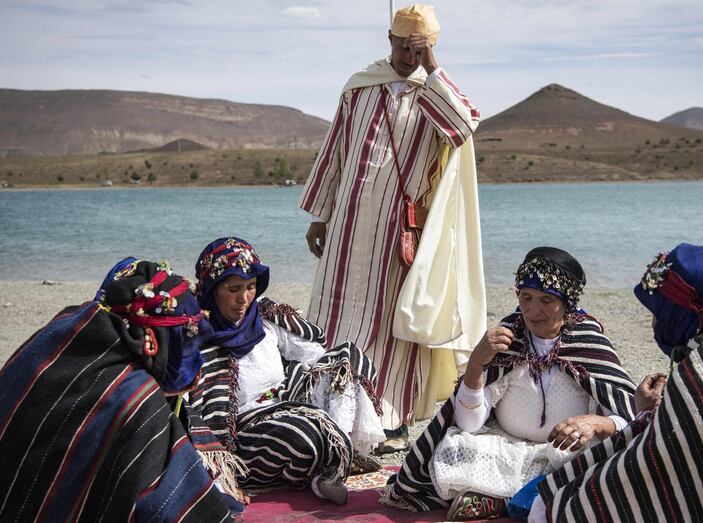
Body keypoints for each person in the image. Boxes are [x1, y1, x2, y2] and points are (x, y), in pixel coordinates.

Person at [299, 3, 486, 449]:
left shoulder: (434, 93)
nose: (408, 55)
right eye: (403, 45)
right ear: (389, 39)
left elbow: (464, 127)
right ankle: (328, 410)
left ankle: (389, 420)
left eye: (418, 48)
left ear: (431, 47)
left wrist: (433, 68)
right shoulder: (360, 87)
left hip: (399, 234)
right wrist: (320, 215)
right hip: (347, 226)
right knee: (334, 313)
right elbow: (335, 152)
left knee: (391, 323)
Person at [525, 243, 703, 522]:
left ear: (681, 316)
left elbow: (656, 463)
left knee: (550, 508)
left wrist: (645, 416)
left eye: (660, 313)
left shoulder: (702, 380)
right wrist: (650, 412)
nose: (654, 325)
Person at [382, 247, 638, 519]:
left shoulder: (590, 343)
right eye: (526, 297)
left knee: (608, 456)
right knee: (456, 446)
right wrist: (476, 364)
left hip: (568, 454)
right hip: (507, 448)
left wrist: (596, 423)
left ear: (567, 303)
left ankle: (499, 500)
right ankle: (527, 500)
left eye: (546, 300)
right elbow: (470, 423)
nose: (532, 310)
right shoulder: (508, 339)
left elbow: (630, 416)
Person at [0, 259, 234, 522]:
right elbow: (170, 505)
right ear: (154, 343)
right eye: (187, 341)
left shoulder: (66, 330)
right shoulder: (135, 397)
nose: (196, 360)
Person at [186, 237, 385, 505]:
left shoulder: (264, 319)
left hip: (287, 400)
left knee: (347, 358)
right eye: (234, 289)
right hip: (247, 430)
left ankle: (337, 454)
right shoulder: (198, 338)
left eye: (250, 287)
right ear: (211, 289)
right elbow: (192, 409)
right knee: (304, 435)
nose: (244, 298)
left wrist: (328, 377)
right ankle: (327, 462)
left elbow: (312, 353)